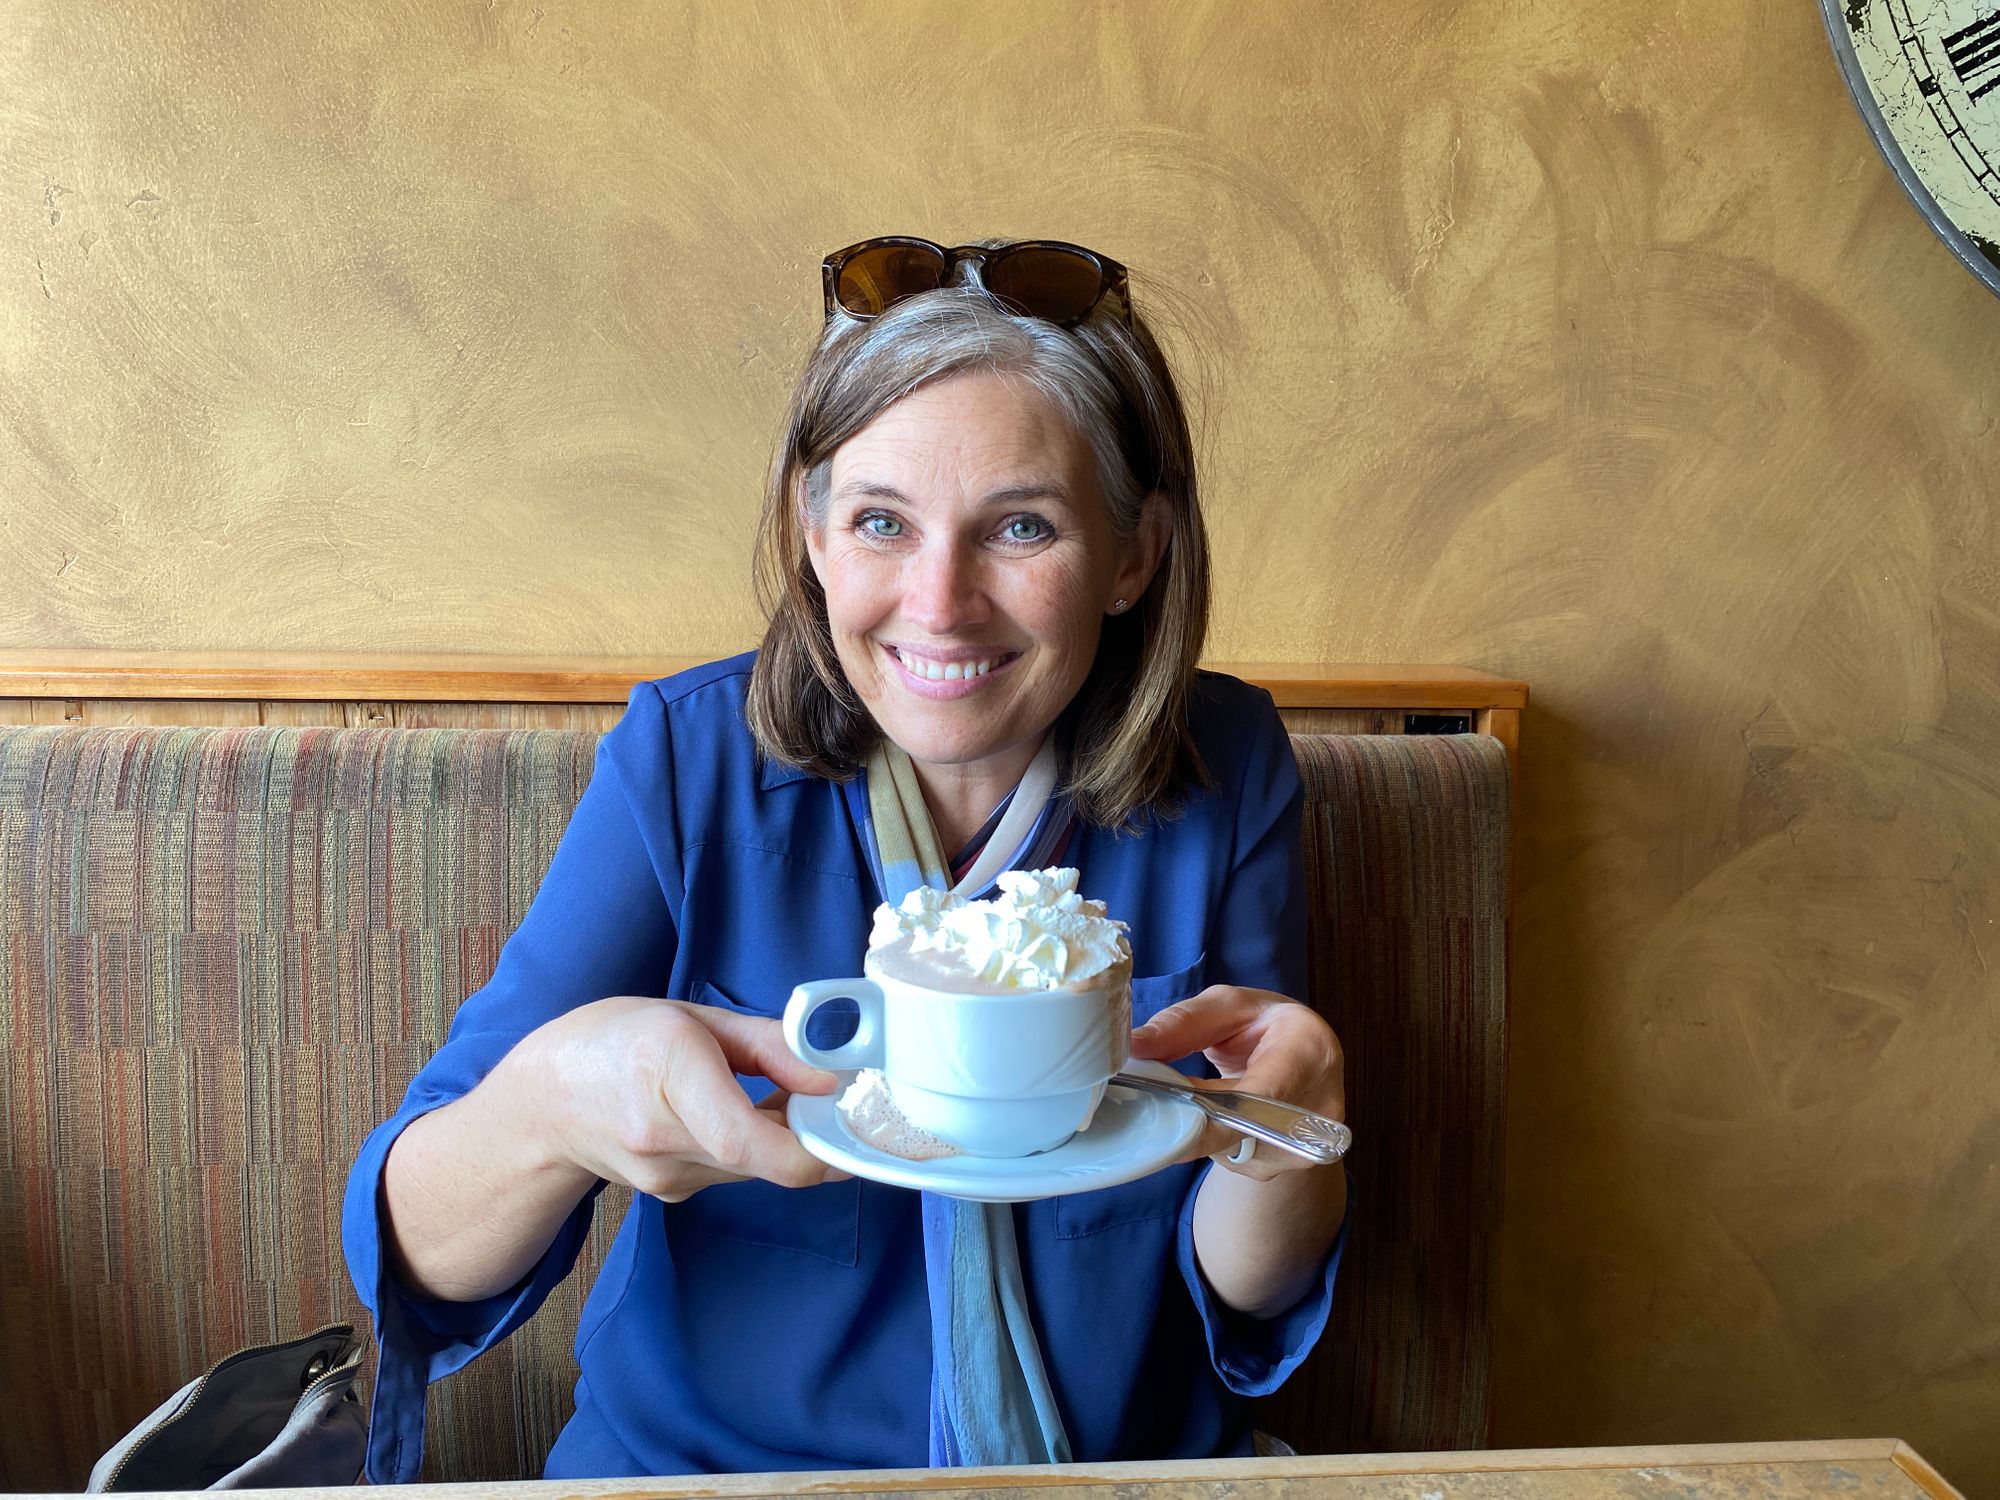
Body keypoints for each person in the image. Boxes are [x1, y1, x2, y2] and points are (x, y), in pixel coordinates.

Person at [341, 236, 1349, 1483]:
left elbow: (1250, 1295)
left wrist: (1286, 1135)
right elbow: (423, 1258)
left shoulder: (1228, 765)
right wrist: (549, 1108)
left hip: (1115, 1477)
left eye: (1020, 526)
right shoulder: (685, 759)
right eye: (880, 521)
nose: (939, 602)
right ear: (812, 532)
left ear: (1131, 555)